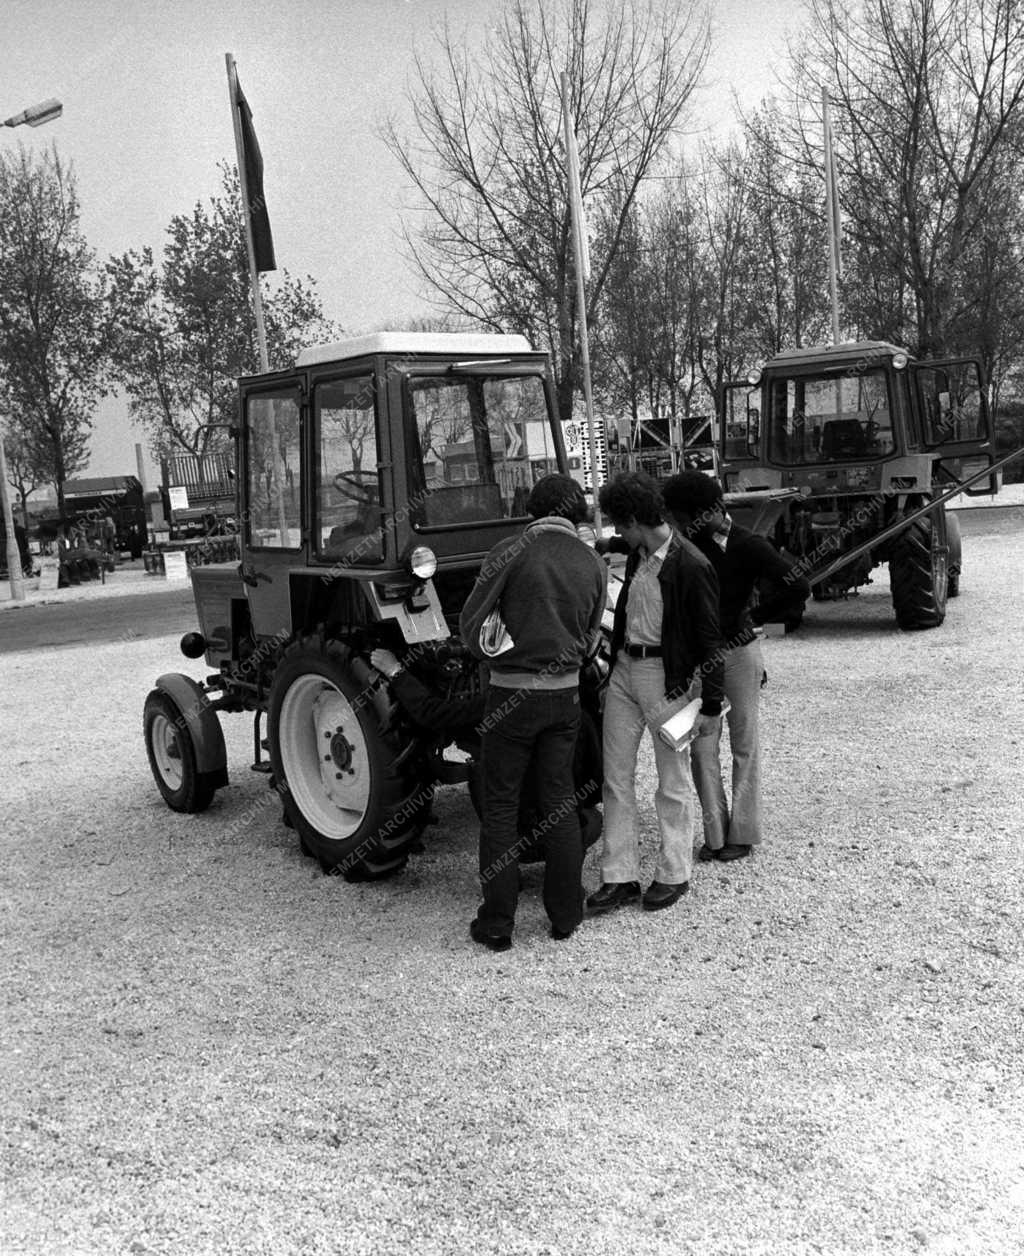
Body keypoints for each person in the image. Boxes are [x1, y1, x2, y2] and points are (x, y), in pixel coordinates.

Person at [458, 473, 607, 950]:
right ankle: (566, 915)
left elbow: (471, 623)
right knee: (559, 801)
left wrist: (495, 652)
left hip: (510, 695)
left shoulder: (510, 551)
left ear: (532, 509)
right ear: (574, 513)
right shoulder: (592, 560)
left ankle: (498, 924)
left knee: (501, 805)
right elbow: (592, 634)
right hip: (564, 697)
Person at [587, 471, 724, 915]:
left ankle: (673, 872)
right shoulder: (638, 551)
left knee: (672, 779)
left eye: (617, 523)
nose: (615, 532)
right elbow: (621, 580)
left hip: (667, 677)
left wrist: (708, 704)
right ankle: (619, 874)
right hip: (627, 670)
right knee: (615, 776)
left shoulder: (691, 565)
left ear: (633, 519)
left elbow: (709, 639)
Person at [661, 471, 811, 862]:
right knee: (701, 748)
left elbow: (798, 585)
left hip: (739, 653)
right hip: (699, 659)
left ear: (710, 511)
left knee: (744, 744)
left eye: (683, 517)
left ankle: (742, 833)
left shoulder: (749, 545)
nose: (678, 525)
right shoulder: (685, 545)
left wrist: (757, 617)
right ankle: (714, 834)